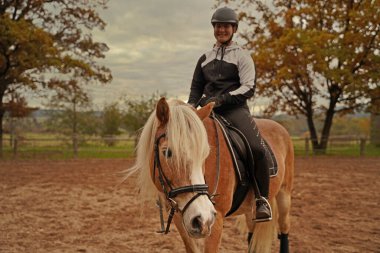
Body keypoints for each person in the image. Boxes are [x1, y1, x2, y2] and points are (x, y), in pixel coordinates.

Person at [187, 7, 272, 222]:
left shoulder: (242, 56)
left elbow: (248, 87)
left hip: (234, 109)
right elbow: (196, 89)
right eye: (218, 26)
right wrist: (190, 108)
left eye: (226, 26)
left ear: (234, 29)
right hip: (208, 111)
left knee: (256, 148)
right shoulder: (204, 58)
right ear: (213, 29)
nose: (221, 30)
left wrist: (222, 99)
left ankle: (262, 199)